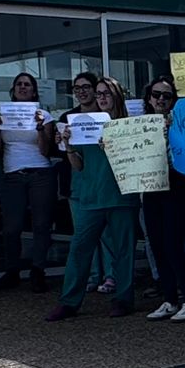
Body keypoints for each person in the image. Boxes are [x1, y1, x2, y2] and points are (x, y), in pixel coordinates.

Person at [45, 75, 137, 320]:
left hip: (121, 196)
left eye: (106, 93)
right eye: (98, 94)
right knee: (79, 249)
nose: (102, 98)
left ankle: (123, 298)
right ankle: (69, 301)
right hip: (90, 196)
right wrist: (68, 146)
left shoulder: (129, 124)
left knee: (123, 250)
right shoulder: (87, 124)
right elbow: (78, 166)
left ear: (116, 95)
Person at [138, 77, 185, 323]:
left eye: (167, 96)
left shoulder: (184, 123)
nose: (161, 100)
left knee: (174, 243)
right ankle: (169, 299)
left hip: (178, 184)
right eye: (157, 95)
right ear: (149, 97)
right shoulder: (140, 124)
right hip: (151, 186)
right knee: (157, 243)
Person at [0, 70, 57, 292]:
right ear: (13, 90)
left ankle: (38, 270)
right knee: (11, 227)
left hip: (40, 172)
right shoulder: (3, 114)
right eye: (19, 84)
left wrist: (40, 129)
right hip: (12, 173)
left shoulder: (44, 115)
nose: (22, 87)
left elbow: (46, 150)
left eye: (27, 84)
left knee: (41, 225)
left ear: (34, 90)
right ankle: (12, 271)